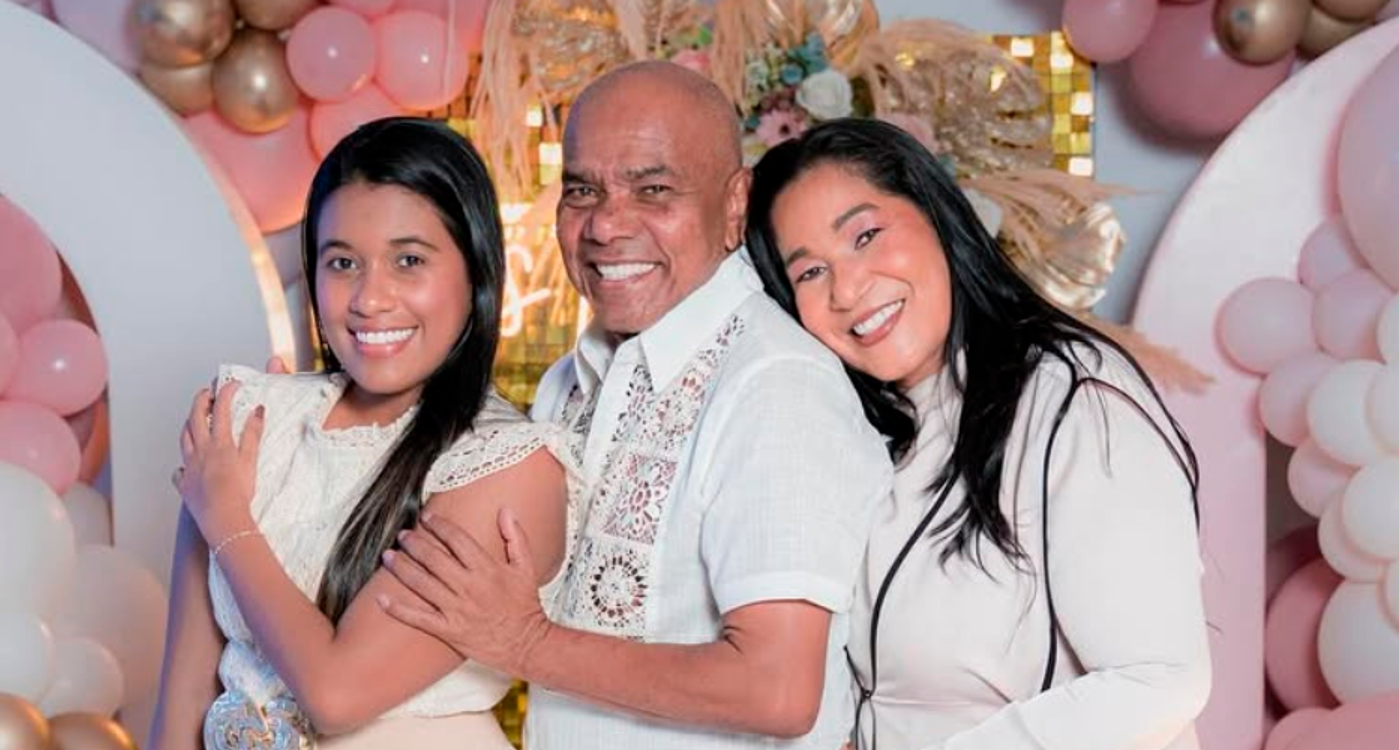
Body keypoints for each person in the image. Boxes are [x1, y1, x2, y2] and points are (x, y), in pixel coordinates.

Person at [373, 61, 894, 750]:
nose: (607, 225)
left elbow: (776, 689)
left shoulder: (775, 383)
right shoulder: (568, 382)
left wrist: (525, 642)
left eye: (653, 190)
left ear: (735, 205)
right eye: (582, 190)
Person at [743, 118, 1212, 750]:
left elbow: (1158, 678)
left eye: (866, 235)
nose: (847, 290)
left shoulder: (1073, 397)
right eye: (809, 273)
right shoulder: (859, 434)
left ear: (938, 216)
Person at [148, 117, 572, 750]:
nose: (370, 299)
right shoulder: (253, 422)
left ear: (476, 271)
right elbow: (181, 707)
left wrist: (228, 520)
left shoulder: (505, 465)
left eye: (409, 261)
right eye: (343, 262)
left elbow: (335, 695)